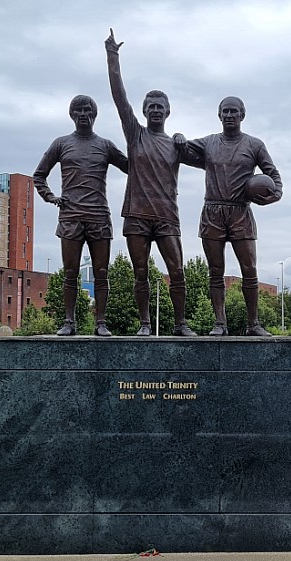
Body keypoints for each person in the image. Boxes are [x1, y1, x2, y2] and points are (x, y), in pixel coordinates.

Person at [106, 29, 196, 336]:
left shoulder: (177, 144)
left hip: (167, 216)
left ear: (168, 112)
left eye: (160, 107)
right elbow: (120, 97)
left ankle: (181, 323)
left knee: (178, 271)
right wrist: (112, 57)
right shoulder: (135, 134)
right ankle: (145, 323)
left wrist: (185, 139)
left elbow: (211, 157)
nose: (155, 110)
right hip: (137, 216)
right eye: (151, 106)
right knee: (140, 272)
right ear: (144, 112)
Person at [178, 96, 282, 336]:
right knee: (215, 270)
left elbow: (274, 176)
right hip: (212, 212)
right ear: (219, 115)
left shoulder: (255, 145)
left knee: (249, 269)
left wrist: (273, 196)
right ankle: (220, 323)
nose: (229, 115)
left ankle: (253, 324)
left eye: (234, 111)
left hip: (240, 212)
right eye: (225, 111)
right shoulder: (209, 143)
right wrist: (178, 138)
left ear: (242, 115)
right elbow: (182, 151)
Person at [33, 94, 129, 336]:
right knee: (70, 272)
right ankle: (69, 322)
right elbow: (39, 175)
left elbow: (132, 167)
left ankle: (101, 323)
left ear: (94, 114)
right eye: (79, 111)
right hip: (71, 217)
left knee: (102, 272)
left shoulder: (105, 145)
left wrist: (144, 149)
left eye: (88, 110)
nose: (84, 115)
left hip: (98, 216)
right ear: (72, 115)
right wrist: (51, 196)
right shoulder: (61, 143)